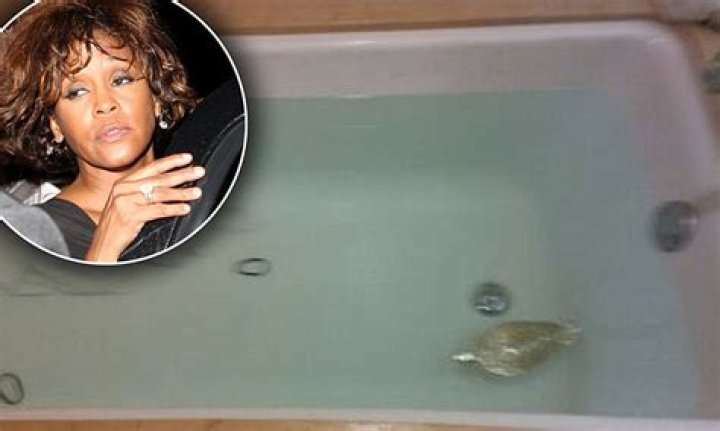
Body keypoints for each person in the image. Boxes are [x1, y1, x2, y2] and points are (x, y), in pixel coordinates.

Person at [0, 0, 204, 262]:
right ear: (55, 124)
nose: (104, 104)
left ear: (156, 96)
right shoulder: (29, 237)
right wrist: (105, 247)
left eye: (121, 80)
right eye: (77, 92)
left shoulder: (209, 194)